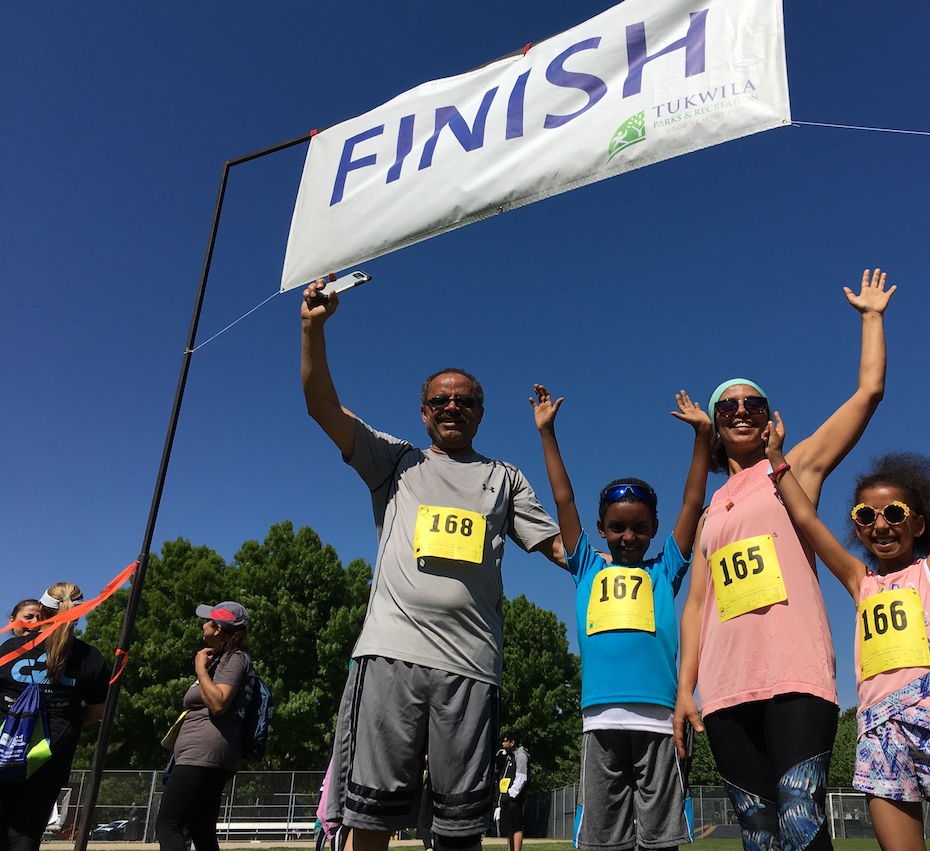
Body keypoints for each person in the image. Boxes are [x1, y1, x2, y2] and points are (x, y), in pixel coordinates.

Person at [301, 275, 564, 851]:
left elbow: (561, 551)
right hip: (391, 655)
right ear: (423, 412)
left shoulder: (505, 478)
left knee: (460, 826)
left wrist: (625, 561)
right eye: (440, 400)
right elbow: (322, 406)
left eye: (464, 401)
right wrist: (312, 328)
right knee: (369, 815)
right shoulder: (394, 461)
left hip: (472, 666)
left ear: (480, 413)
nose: (452, 407)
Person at [762, 367, 930, 851]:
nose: (880, 524)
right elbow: (804, 517)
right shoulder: (858, 581)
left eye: (894, 513)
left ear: (920, 522)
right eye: (866, 516)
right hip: (878, 734)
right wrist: (779, 462)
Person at [674, 268, 895, 851]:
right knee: (757, 834)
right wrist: (684, 690)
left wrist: (872, 317)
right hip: (723, 687)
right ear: (717, 428)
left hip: (795, 674)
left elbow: (867, 394)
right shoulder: (708, 514)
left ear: (769, 415)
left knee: (801, 824)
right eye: (729, 406)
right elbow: (696, 607)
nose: (742, 410)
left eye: (754, 403)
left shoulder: (793, 470)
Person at [531, 384, 710, 851]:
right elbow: (563, 499)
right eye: (617, 527)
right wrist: (548, 434)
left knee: (660, 837)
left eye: (640, 527)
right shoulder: (586, 566)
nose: (629, 536)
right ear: (600, 530)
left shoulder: (665, 568)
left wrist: (702, 438)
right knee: (603, 837)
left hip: (660, 719)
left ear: (654, 528)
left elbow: (692, 504)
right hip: (600, 719)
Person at [0, 583, 110, 851]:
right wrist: (66, 720)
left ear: (43, 610)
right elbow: (97, 712)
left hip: (5, 748)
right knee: (26, 833)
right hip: (52, 751)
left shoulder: (11, 648)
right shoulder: (90, 657)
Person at [156, 601, 253, 851]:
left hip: (203, 753)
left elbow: (219, 702)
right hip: (204, 753)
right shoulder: (222, 659)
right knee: (200, 827)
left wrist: (200, 669)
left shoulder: (235, 658)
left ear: (218, 628)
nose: (203, 624)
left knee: (169, 825)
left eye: (208, 620)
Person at [496, 731, 530, 851]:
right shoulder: (510, 756)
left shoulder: (521, 756)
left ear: (512, 742)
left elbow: (521, 777)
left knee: (516, 828)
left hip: (514, 799)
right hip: (506, 799)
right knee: (509, 828)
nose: (503, 743)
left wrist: (511, 794)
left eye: (505, 741)